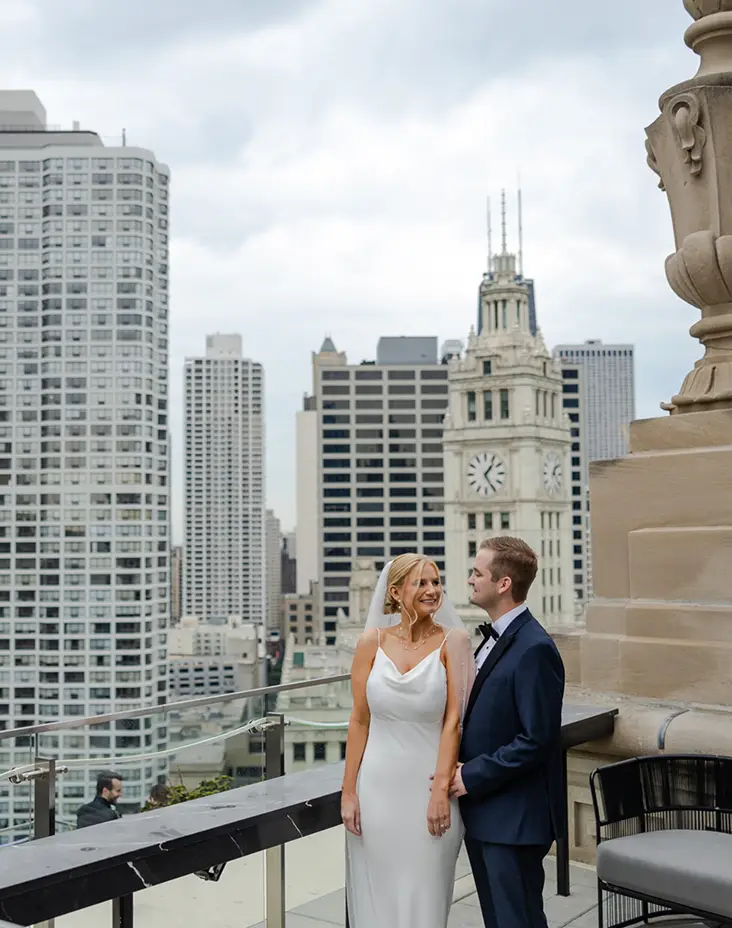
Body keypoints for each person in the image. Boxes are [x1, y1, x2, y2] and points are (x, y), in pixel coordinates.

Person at [342, 553, 474, 928]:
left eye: (436, 582)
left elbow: (454, 722)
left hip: (428, 789)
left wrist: (439, 792)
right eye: (421, 583)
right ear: (396, 592)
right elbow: (359, 720)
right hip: (376, 791)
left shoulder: (455, 641)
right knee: (376, 897)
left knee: (425, 897)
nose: (432, 591)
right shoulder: (371, 642)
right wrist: (349, 792)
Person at [449, 536, 565, 928]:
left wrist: (470, 774)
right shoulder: (490, 640)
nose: (469, 580)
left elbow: (537, 739)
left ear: (503, 584)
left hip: (513, 820)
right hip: (486, 814)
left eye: (477, 572)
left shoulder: (534, 648)